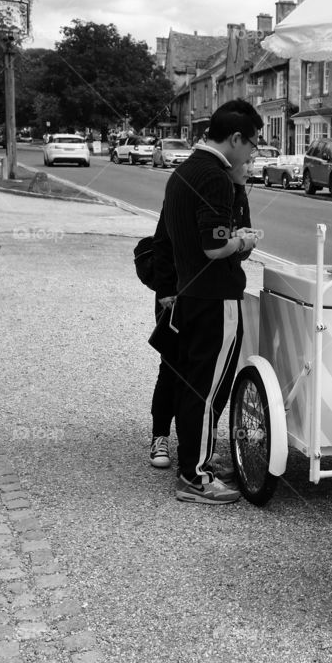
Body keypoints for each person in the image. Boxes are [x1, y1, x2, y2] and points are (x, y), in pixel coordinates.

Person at [157, 99, 262, 505]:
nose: (253, 153)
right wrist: (245, 241)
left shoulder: (183, 171)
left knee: (195, 382)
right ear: (235, 138)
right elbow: (216, 246)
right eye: (252, 144)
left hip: (189, 293)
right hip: (216, 296)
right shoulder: (215, 177)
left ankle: (193, 460)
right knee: (207, 388)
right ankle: (194, 477)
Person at [146, 158, 252, 472]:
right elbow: (162, 239)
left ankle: (193, 448)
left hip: (210, 293)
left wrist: (241, 189)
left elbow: (239, 237)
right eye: (245, 161)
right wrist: (165, 289)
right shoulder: (198, 187)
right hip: (177, 293)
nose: (248, 166)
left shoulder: (231, 193)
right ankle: (160, 435)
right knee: (173, 367)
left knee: (201, 379)